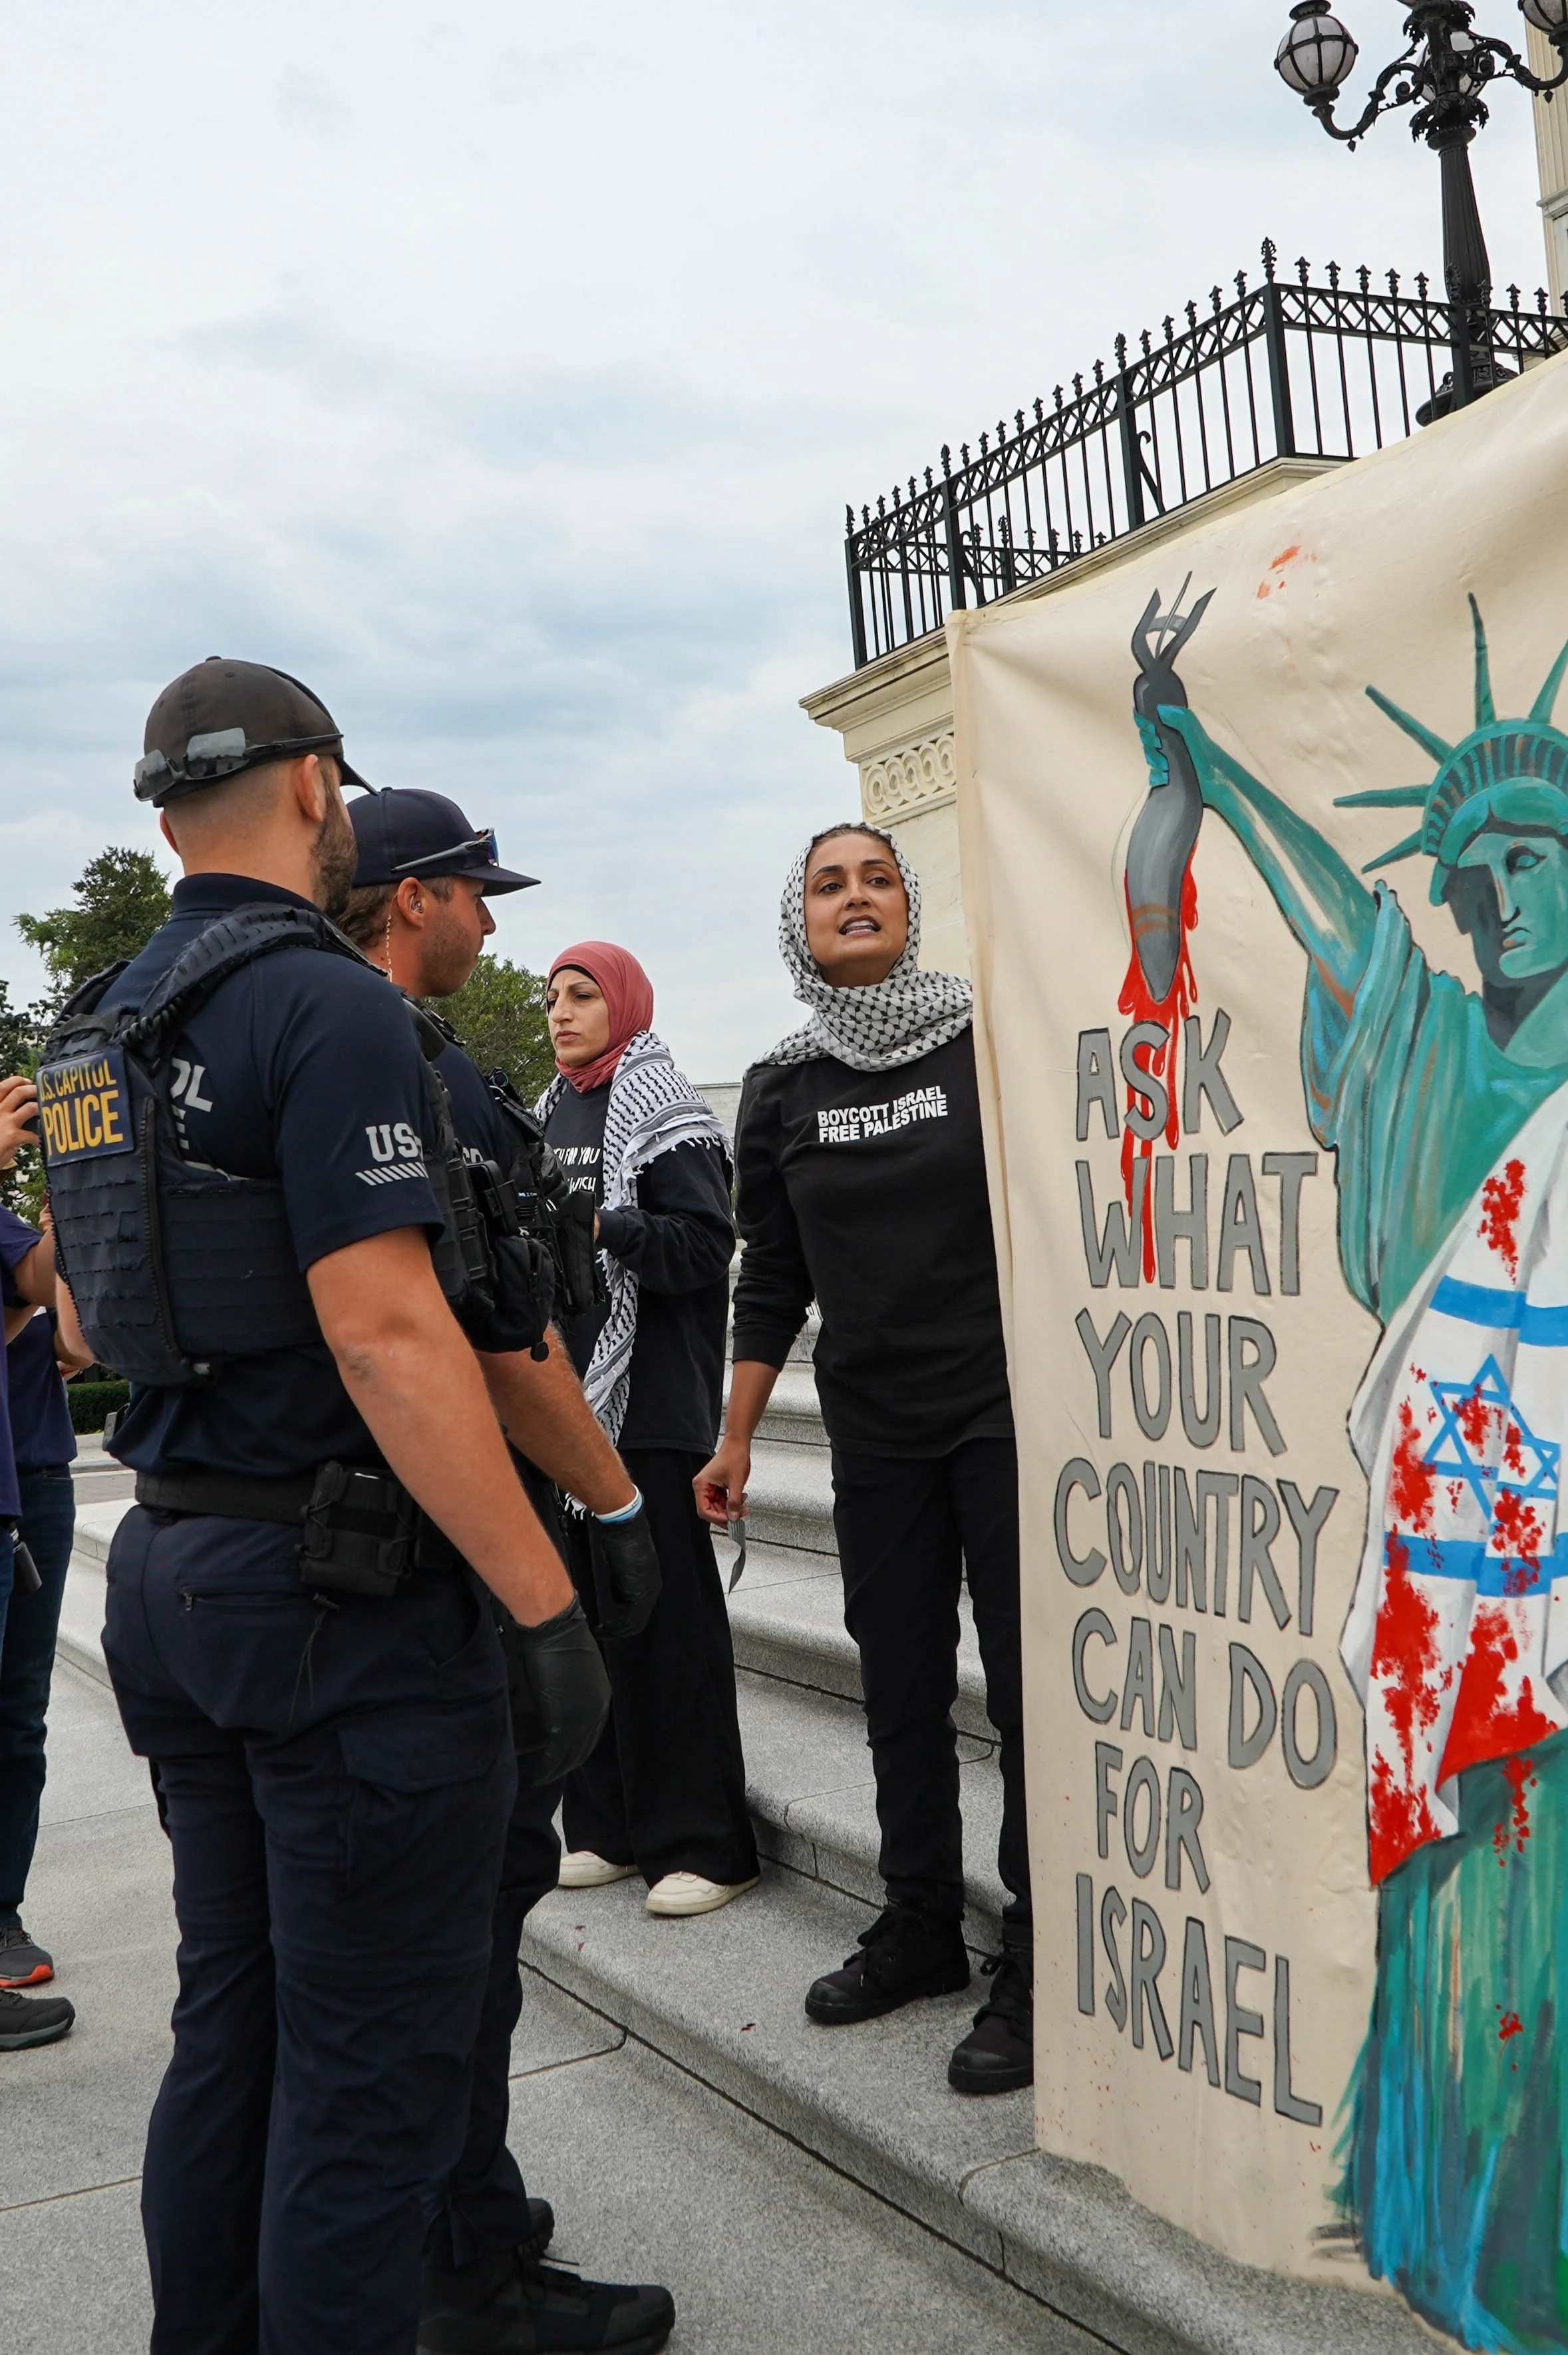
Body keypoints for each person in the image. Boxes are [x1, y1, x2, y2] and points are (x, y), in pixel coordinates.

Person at [39, 657, 616, 2355]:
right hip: (334, 1602)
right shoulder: (326, 1005)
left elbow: (83, 1319)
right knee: (367, 2084)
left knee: (234, 2028)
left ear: (163, 814)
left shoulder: (97, 1022)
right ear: (313, 789)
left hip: (169, 1570)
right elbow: (387, 1333)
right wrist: (549, 1603)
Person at [1134, 587, 1568, 2345]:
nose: (1501, 892)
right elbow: (1343, 935)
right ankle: (1472, 2243)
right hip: (1445, 1562)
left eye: (1534, 852)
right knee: (1467, 1907)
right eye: (1473, 872)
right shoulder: (1437, 1052)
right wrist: (1208, 761)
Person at [343, 787, 676, 2355]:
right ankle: (464, 2262)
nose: (493, 922)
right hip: (434, 1569)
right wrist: (607, 1524)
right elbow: (493, 1333)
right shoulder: (402, 1063)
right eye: (475, 893)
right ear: (412, 898)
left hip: (265, 1565)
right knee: (461, 1935)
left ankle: (442, 2233)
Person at [695, 823, 1032, 2096]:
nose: (856, 897)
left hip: (1003, 1412)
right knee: (897, 1684)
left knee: (1020, 1693)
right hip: (874, 1430)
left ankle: (1039, 1955)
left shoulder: (984, 1033)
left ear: (910, 903)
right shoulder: (779, 1087)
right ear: (801, 919)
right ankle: (920, 1927)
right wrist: (735, 1436)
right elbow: (769, 1276)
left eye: (877, 878)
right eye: (829, 883)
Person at [541, 943, 758, 1917]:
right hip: (568, 1405)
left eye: (582, 994)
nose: (561, 1011)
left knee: (666, 1629)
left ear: (624, 1002)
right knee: (586, 1619)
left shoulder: (666, 1110)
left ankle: (705, 1842)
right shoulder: (550, 1112)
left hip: (652, 1408)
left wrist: (604, 1226)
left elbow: (708, 1247)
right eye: (552, 997)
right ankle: (609, 1825)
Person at [0, 1080, 77, 2052]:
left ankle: (3, 1911)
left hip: (31, 1484)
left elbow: (69, 1332)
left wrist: (82, 1188)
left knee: (18, 1717)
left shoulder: (11, 1220)